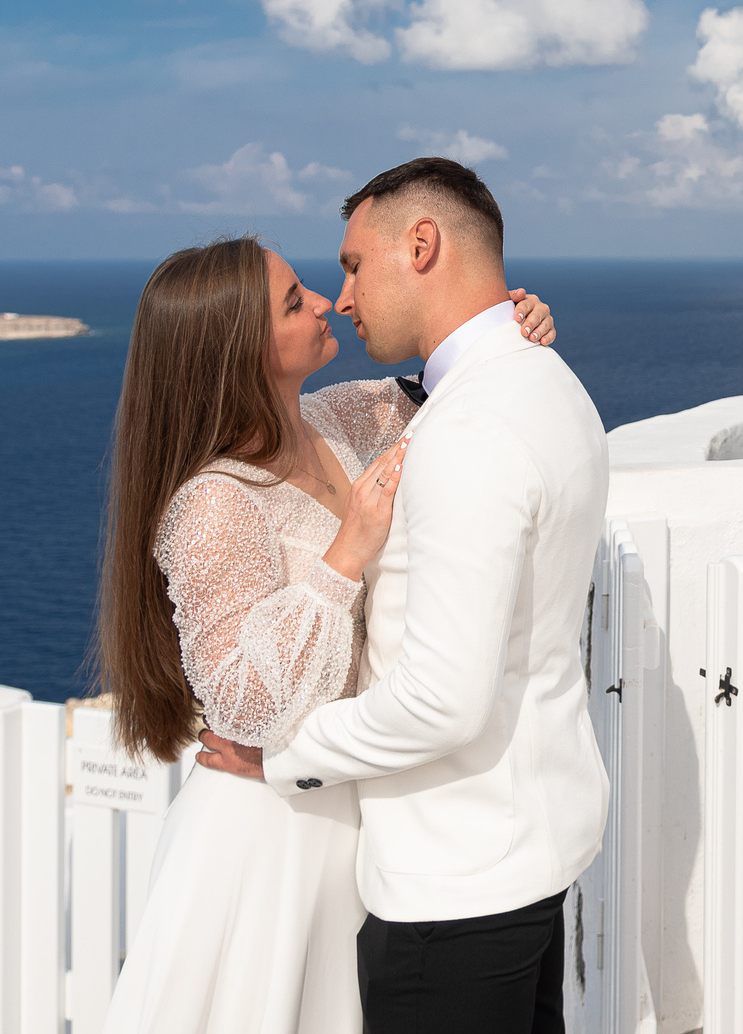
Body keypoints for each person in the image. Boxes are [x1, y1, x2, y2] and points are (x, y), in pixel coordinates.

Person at [91, 235, 556, 1034]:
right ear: (239, 349)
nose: (324, 302)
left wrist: (511, 324)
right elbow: (243, 702)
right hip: (266, 837)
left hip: (345, 808)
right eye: (293, 298)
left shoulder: (333, 418)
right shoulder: (214, 501)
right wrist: (347, 554)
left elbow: (450, 390)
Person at [197, 158, 611, 1034]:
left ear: (421, 244)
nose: (340, 298)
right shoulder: (546, 382)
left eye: (350, 265)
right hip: (525, 856)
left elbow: (439, 701)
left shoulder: (466, 431)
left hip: (451, 882)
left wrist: (275, 756)